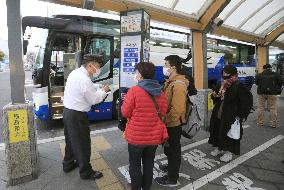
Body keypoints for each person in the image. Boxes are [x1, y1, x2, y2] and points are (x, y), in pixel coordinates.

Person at [121, 62, 168, 190]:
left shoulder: (134, 91)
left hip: (136, 138)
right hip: (153, 138)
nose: (135, 75)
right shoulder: (160, 92)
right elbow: (163, 112)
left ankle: (135, 187)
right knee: (148, 163)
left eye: (136, 72)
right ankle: (147, 187)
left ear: (140, 75)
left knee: (135, 164)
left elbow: (125, 112)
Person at [62, 54, 110, 179]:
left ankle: (68, 163)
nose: (98, 70)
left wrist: (97, 86)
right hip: (77, 115)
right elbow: (93, 99)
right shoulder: (84, 79)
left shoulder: (76, 73)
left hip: (67, 111)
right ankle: (86, 171)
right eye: (98, 67)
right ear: (90, 65)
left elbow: (86, 87)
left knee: (71, 140)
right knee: (82, 143)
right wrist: (104, 91)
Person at [155, 55, 189, 187]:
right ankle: (170, 167)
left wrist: (165, 120)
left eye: (165, 65)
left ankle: (172, 179)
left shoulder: (178, 85)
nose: (164, 67)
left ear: (173, 67)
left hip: (173, 124)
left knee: (174, 150)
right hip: (169, 122)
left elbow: (178, 110)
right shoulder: (171, 81)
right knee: (169, 149)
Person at [208, 65, 253, 162]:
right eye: (223, 76)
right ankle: (219, 148)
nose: (225, 79)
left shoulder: (239, 86)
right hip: (219, 113)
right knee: (217, 130)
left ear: (235, 76)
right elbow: (216, 98)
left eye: (227, 77)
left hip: (231, 116)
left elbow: (247, 103)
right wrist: (215, 95)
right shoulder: (221, 84)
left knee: (229, 134)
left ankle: (228, 152)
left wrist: (240, 116)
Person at [255, 64, 282, 128]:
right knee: (273, 108)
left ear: (263, 69)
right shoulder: (276, 74)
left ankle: (260, 122)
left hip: (261, 93)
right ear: (271, 68)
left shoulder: (259, 75)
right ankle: (273, 124)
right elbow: (280, 82)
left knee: (261, 107)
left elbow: (256, 83)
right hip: (272, 93)